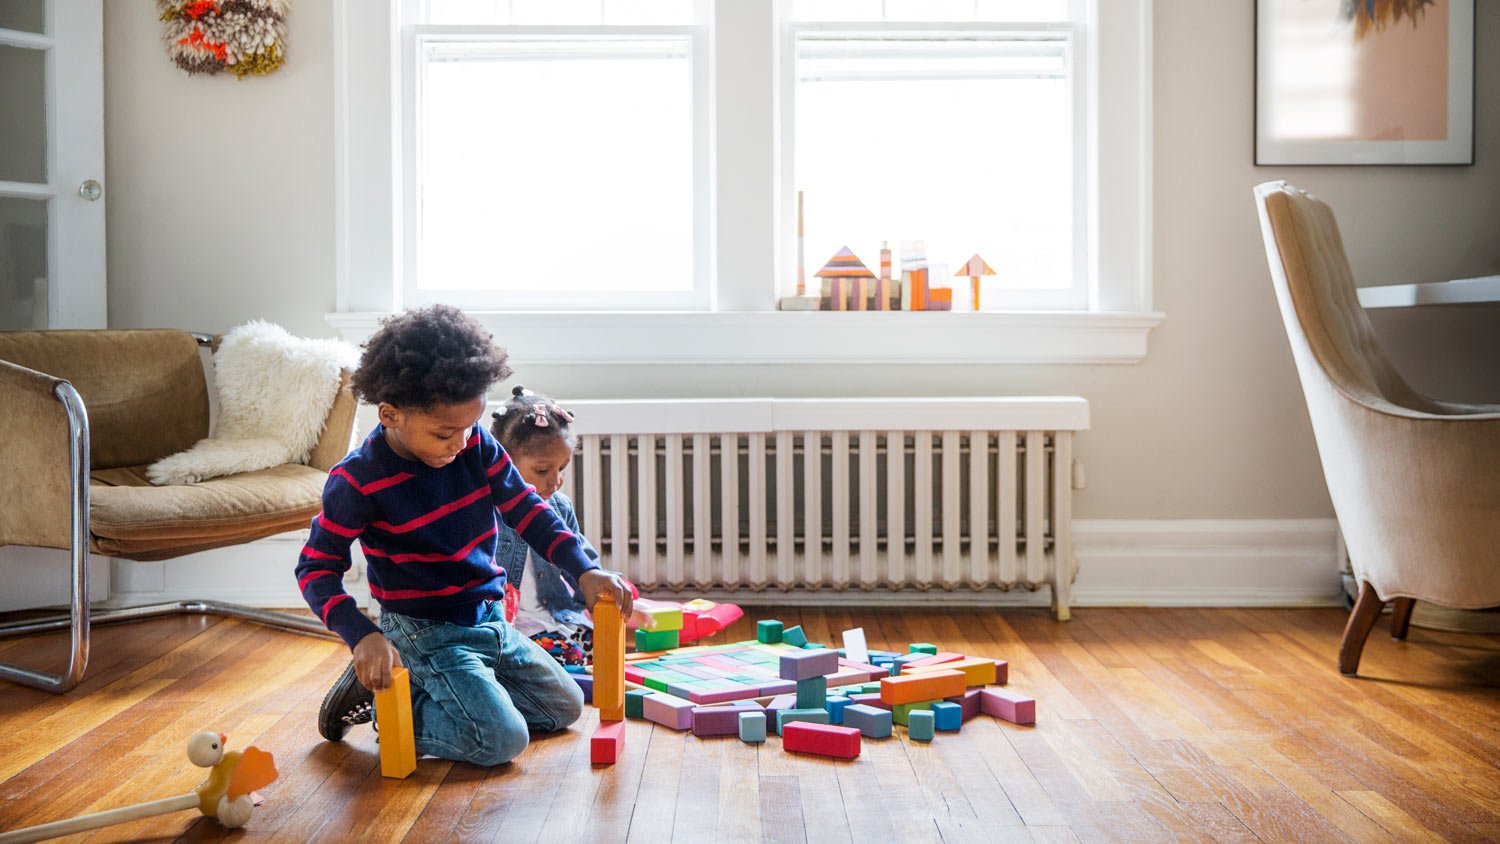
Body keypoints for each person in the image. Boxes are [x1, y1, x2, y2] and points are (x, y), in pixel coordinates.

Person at [296, 305, 633, 767]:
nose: (459, 444)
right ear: (391, 415)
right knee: (502, 741)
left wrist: (584, 569)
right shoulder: (357, 481)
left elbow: (530, 512)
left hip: (490, 619)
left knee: (566, 706)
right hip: (425, 631)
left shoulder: (476, 445)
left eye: (468, 427)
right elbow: (316, 568)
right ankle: (387, 703)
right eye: (443, 433)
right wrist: (362, 637)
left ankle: (437, 689)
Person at [489, 387, 606, 667]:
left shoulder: (559, 506)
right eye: (542, 471)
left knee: (601, 649)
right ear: (502, 464)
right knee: (562, 658)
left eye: (562, 468)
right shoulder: (484, 512)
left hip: (555, 618)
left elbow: (582, 560)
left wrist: (604, 593)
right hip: (510, 626)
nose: (555, 482)